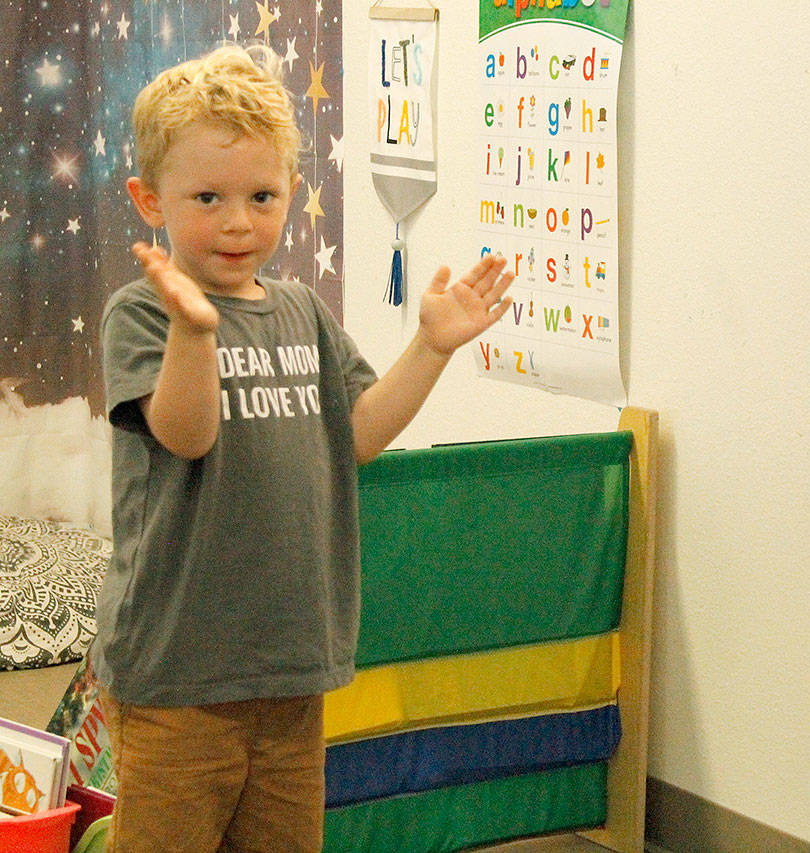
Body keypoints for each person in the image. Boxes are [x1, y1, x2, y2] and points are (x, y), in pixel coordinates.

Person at [93, 43, 513, 852]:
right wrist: (192, 327)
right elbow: (186, 432)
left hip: (290, 674)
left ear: (293, 190)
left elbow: (353, 435)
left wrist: (429, 347)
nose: (239, 221)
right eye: (207, 197)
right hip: (179, 676)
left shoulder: (301, 311)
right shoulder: (141, 314)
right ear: (151, 199)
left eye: (263, 195)